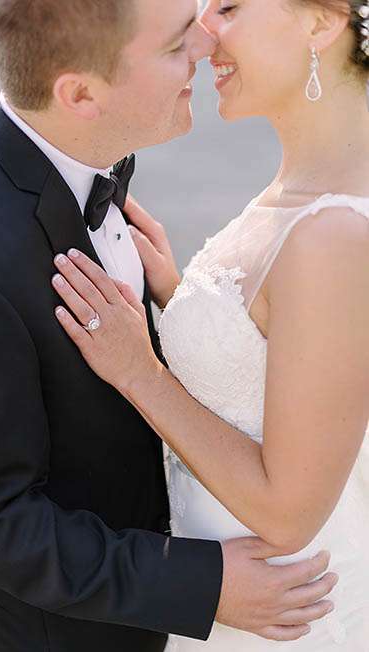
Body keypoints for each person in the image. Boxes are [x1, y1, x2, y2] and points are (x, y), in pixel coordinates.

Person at [0, 0, 338, 650]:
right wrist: (197, 585)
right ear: (80, 93)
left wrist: (179, 312)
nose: (207, 48)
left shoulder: (84, 155)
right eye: (175, 44)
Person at [50, 0, 369, 648]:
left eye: (228, 7)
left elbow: (288, 513)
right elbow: (269, 348)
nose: (202, 34)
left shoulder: (335, 234)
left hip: (281, 609)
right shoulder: (307, 183)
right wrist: (179, 294)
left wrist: (139, 371)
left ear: (321, 22)